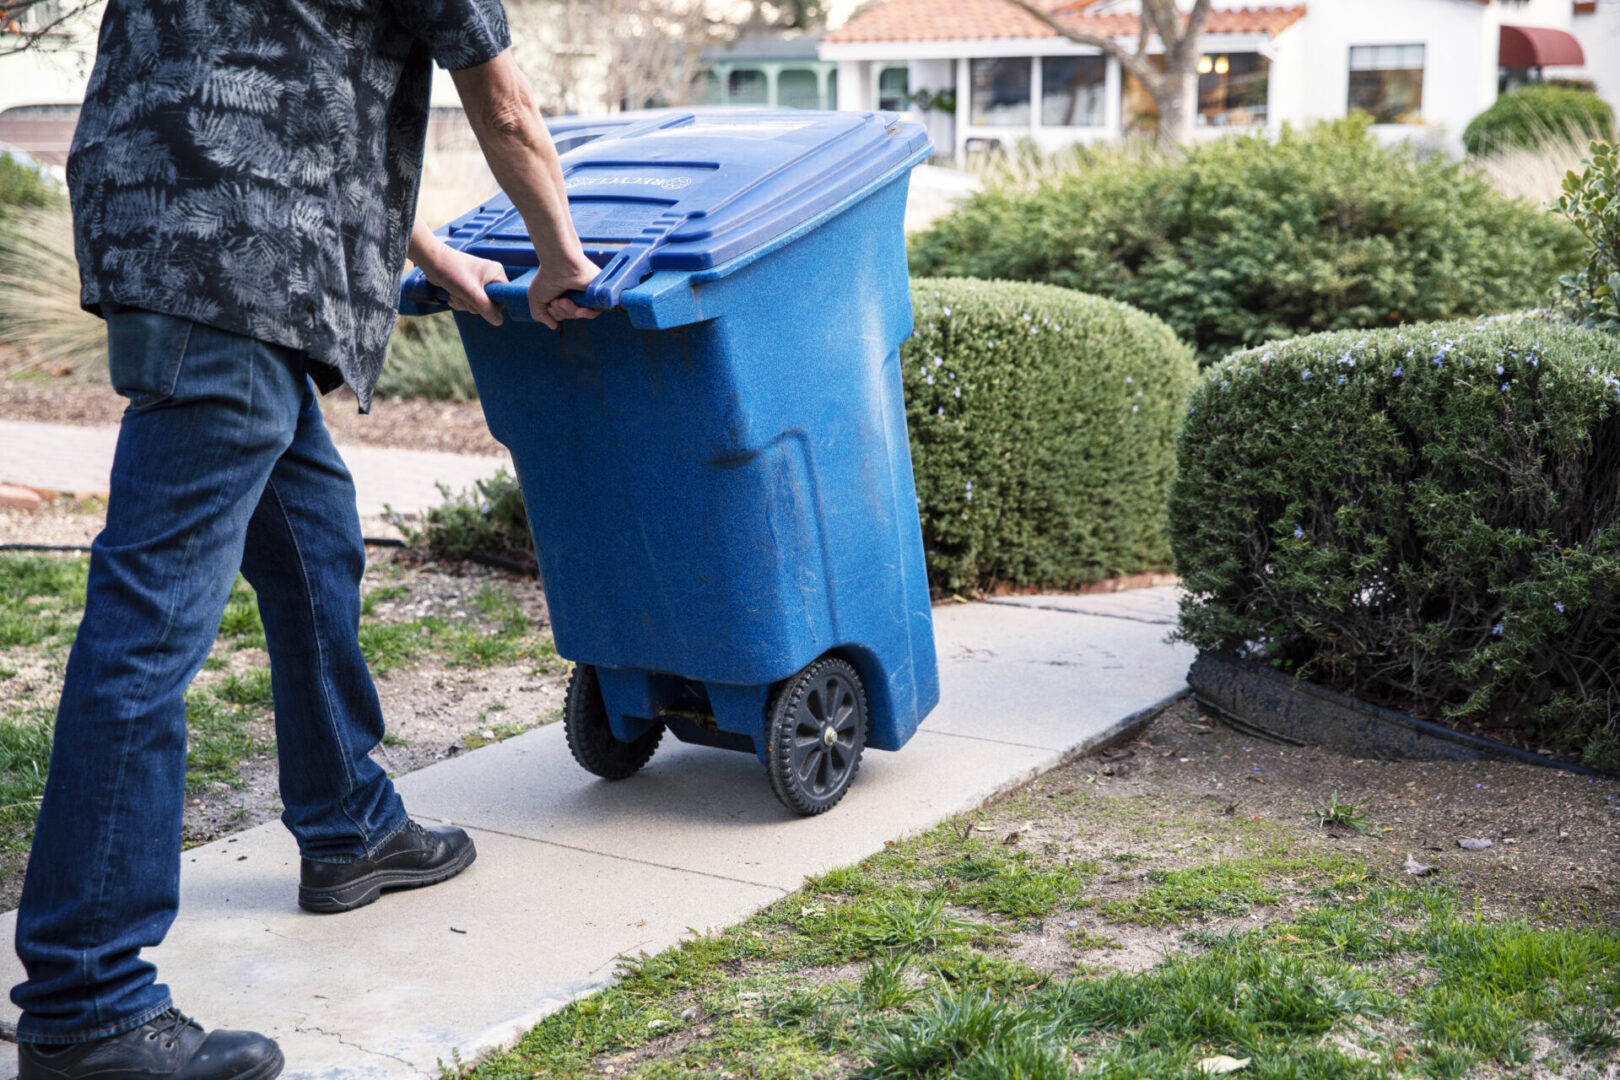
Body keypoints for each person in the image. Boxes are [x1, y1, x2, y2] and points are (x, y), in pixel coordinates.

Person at [13, 1, 598, 1076]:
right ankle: (86, 996)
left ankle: (349, 824)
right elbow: (506, 105)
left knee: (315, 543)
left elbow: (280, 90)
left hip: (167, 239)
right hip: (237, 275)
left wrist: (428, 254)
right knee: (147, 632)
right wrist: (561, 257)